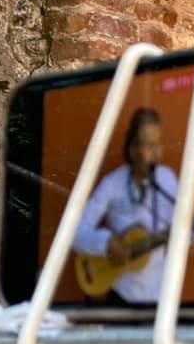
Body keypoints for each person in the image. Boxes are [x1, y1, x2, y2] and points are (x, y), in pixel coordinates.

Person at [73, 107, 178, 304]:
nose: (155, 153)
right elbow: (75, 233)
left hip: (160, 297)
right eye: (148, 146)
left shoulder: (169, 180)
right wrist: (106, 242)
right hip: (122, 295)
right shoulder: (112, 183)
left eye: (158, 144)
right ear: (132, 149)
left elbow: (181, 235)